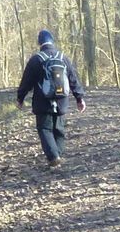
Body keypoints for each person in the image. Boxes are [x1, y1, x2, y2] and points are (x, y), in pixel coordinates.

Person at [14, 29, 85, 165]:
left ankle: (54, 157)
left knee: (45, 129)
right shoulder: (63, 57)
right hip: (61, 100)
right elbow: (73, 79)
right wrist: (79, 98)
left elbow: (26, 82)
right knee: (59, 130)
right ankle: (58, 155)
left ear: (39, 43)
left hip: (43, 102)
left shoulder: (36, 59)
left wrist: (20, 98)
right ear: (52, 41)